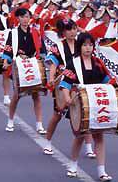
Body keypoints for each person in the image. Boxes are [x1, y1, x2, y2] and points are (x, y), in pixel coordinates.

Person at [59, 33, 115, 181]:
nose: (88, 48)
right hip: (80, 104)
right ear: (80, 46)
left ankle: (102, 171)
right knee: (80, 136)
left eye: (90, 45)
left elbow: (107, 82)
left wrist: (115, 87)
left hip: (96, 104)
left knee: (99, 136)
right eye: (85, 45)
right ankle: (73, 165)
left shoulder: (98, 63)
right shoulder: (74, 63)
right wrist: (67, 98)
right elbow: (65, 84)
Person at [43, 19, 95, 157]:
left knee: (86, 113)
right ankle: (47, 142)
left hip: (81, 82)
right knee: (57, 114)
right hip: (65, 83)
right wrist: (51, 79)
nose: (73, 32)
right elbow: (53, 64)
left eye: (74, 28)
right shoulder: (58, 46)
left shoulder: (82, 44)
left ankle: (89, 147)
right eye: (69, 29)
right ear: (63, 32)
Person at [3, 8, 46, 134]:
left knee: (36, 95)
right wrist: (6, 61)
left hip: (32, 64)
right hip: (19, 66)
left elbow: (41, 49)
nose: (25, 19)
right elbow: (8, 49)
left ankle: (39, 124)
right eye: (23, 17)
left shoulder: (35, 32)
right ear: (18, 19)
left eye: (27, 17)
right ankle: (10, 121)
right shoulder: (14, 33)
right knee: (17, 95)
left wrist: (43, 60)